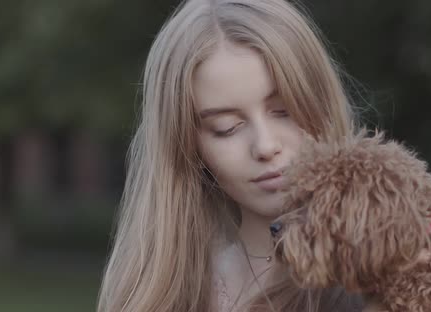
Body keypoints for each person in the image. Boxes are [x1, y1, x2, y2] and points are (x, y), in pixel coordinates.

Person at [97, 0, 370, 311]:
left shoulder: (391, 276)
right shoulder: (162, 295)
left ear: (323, 106)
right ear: (189, 147)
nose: (265, 146)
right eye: (226, 128)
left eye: (284, 111)